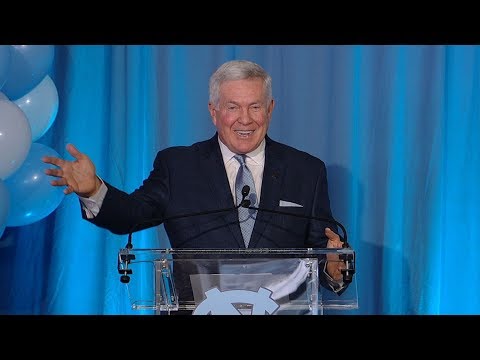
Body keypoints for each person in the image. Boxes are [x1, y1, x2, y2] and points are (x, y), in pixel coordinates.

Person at [42, 59, 349, 307]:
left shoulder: (306, 170)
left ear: (269, 109)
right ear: (214, 113)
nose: (245, 119)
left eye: (255, 106)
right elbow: (131, 215)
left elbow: (325, 251)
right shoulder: (178, 166)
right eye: (232, 107)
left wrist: (335, 268)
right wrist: (94, 190)